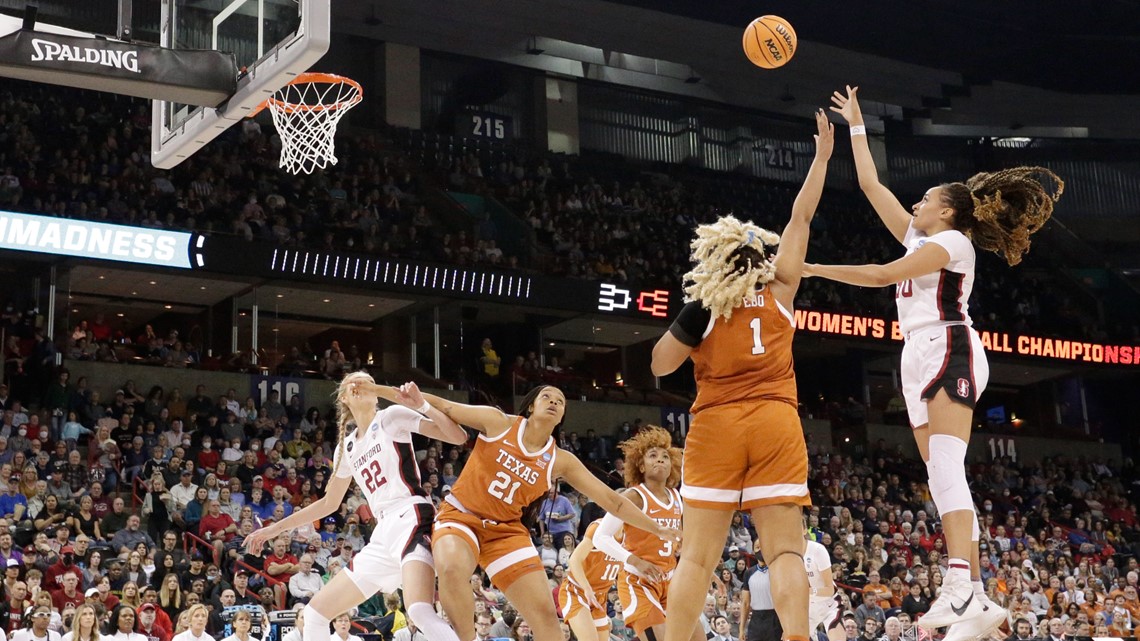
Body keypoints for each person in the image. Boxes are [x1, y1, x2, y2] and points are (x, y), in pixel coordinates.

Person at [808, 85, 1063, 639]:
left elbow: (880, 275)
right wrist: (856, 125)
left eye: (924, 198)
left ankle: (959, 586)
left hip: (951, 344)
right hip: (916, 353)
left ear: (946, 210)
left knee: (946, 466)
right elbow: (871, 186)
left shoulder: (953, 244)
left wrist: (810, 267)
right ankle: (975, 593)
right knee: (939, 473)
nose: (916, 204)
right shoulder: (917, 237)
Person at [651, 110, 834, 641]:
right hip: (776, 421)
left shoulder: (705, 308)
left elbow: (661, 365)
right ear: (759, 259)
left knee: (697, 559)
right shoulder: (780, 292)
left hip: (716, 426)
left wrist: (693, 313)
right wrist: (820, 160)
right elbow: (800, 219)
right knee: (784, 550)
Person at [416, 384, 680, 641]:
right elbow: (446, 405)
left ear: (563, 414)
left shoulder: (560, 459)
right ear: (531, 405)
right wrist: (387, 392)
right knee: (451, 571)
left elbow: (614, 501)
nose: (554, 402)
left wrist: (656, 528)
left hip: (506, 530)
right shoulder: (500, 423)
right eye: (547, 397)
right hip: (462, 514)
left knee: (546, 619)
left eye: (560, 400)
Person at [243, 375, 467, 641]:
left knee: (418, 610)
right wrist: (273, 530)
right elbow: (328, 503)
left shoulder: (391, 417)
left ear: (375, 393)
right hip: (382, 532)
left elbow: (459, 436)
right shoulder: (345, 448)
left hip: (412, 516)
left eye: (368, 381)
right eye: (354, 382)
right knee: (315, 614)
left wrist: (422, 405)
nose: (360, 384)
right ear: (344, 398)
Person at [592, 426, 694, 641]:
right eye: (653, 456)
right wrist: (636, 561)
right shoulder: (634, 496)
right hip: (639, 581)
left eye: (665, 457)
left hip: (670, 580)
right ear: (640, 464)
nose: (660, 460)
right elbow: (600, 537)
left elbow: (679, 539)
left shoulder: (677, 497)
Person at [559, 519, 621, 641]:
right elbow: (574, 560)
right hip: (577, 591)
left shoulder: (633, 535)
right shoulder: (600, 527)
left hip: (600, 597)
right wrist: (587, 588)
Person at [803, 534, 844, 641]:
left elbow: (829, 589)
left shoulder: (817, 550)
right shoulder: (787, 555)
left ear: (804, 530)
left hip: (828, 604)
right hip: (806, 608)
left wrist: (811, 591)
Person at [739, 558, 778, 641]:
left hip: (775, 617)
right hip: (756, 618)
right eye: (757, 547)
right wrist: (741, 629)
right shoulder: (749, 573)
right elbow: (745, 603)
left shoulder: (777, 570)